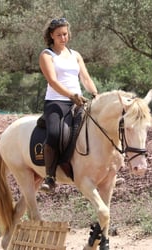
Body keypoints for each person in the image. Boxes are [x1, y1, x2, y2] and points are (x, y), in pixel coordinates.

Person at [39, 18, 98, 193]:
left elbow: (85, 78)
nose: (63, 38)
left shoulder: (75, 55)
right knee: (56, 134)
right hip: (56, 102)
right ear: (51, 36)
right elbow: (53, 81)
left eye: (65, 34)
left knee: (96, 128)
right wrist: (71, 96)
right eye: (59, 35)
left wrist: (95, 94)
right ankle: (50, 177)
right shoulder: (47, 55)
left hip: (78, 101)